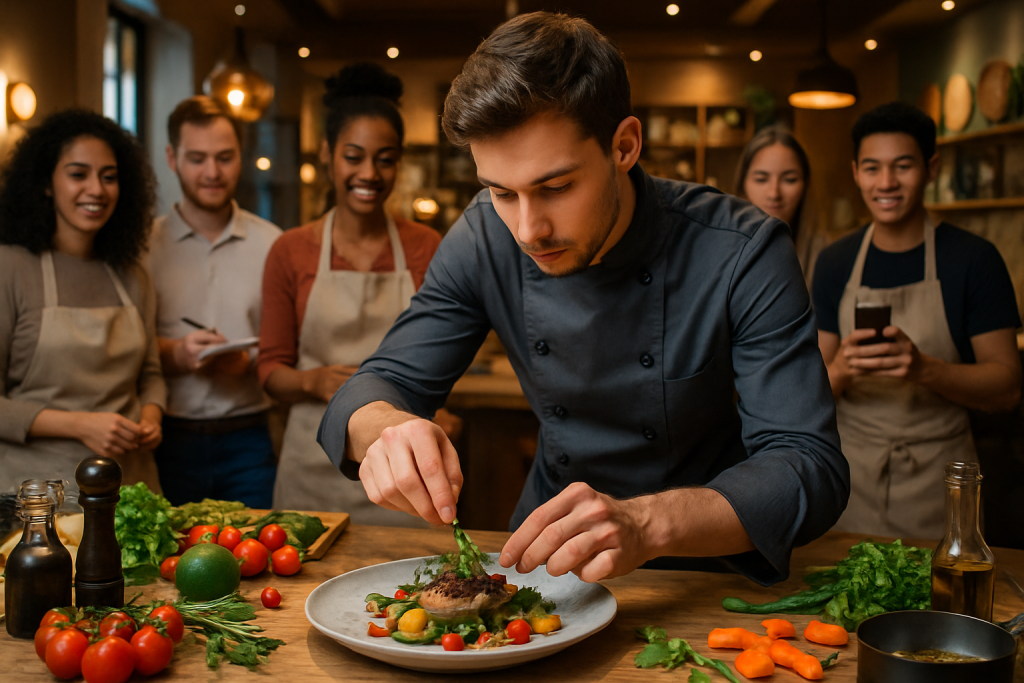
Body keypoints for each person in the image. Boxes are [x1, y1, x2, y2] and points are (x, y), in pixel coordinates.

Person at [318, 13, 849, 586]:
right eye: (500, 192)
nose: (527, 230)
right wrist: (386, 427)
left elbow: (807, 464)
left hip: (707, 572)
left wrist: (647, 523)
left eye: (555, 188)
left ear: (624, 146)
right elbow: (378, 382)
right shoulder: (482, 237)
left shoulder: (742, 251)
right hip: (549, 566)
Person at [812, 102, 1021, 539]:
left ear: (931, 168)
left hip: (940, 480)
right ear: (855, 172)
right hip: (850, 479)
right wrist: (845, 370)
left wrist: (924, 368)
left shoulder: (973, 260)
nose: (886, 183)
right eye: (872, 168)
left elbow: (1006, 389)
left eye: (902, 166)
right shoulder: (836, 262)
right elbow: (809, 392)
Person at [256, 63, 443, 521]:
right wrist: (312, 381)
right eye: (354, 156)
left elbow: (443, 354)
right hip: (311, 462)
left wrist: (444, 411)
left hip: (403, 464)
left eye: (385, 158)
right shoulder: (291, 250)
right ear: (327, 154)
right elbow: (270, 371)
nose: (369, 173)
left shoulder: (426, 247)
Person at [0, 109, 166, 493]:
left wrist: (151, 416)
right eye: (78, 174)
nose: (97, 189)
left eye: (109, 177)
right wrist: (80, 424)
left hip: (132, 488)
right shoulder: (10, 268)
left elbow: (151, 375)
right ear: (45, 183)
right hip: (38, 498)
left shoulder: (132, 275)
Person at [146, 96, 282, 507]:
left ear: (241, 157)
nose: (212, 172)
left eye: (224, 158)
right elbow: (117, 349)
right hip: (165, 439)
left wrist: (249, 364)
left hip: (250, 438)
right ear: (172, 157)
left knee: (259, 558)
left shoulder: (273, 243)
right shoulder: (141, 247)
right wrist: (174, 354)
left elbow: (288, 348)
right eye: (197, 158)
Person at [733, 126, 820, 279]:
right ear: (742, 186)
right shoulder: (724, 255)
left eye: (789, 180)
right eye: (761, 179)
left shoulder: (825, 256)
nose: (774, 193)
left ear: (805, 185)